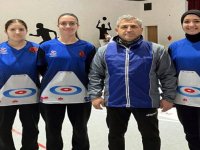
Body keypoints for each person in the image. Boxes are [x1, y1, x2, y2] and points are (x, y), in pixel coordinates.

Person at [88, 15, 177, 150]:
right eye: (124, 26)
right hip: (115, 102)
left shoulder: (156, 50)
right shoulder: (104, 51)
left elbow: (168, 75)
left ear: (141, 29)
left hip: (146, 102)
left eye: (133, 26)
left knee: (150, 136)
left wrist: (168, 97)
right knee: (115, 136)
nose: (129, 30)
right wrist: (95, 95)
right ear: (117, 29)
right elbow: (95, 74)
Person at [37, 13, 96, 150]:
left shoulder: (88, 47)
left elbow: (91, 70)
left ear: (77, 25)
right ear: (58, 26)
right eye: (64, 23)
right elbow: (41, 68)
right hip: (51, 97)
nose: (68, 26)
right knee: (53, 132)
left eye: (72, 23)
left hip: (80, 96)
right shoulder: (46, 46)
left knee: (80, 131)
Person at [0, 19, 40, 150]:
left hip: (31, 96)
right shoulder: (1, 49)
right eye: (12, 29)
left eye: (21, 29)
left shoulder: (37, 49)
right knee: (3, 128)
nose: (17, 32)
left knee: (31, 128)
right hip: (3, 97)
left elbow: (47, 71)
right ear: (6, 31)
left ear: (26, 31)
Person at [168, 9, 200, 150]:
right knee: (191, 134)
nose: (191, 24)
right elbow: (169, 73)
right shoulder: (174, 46)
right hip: (184, 99)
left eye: (197, 21)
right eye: (186, 21)